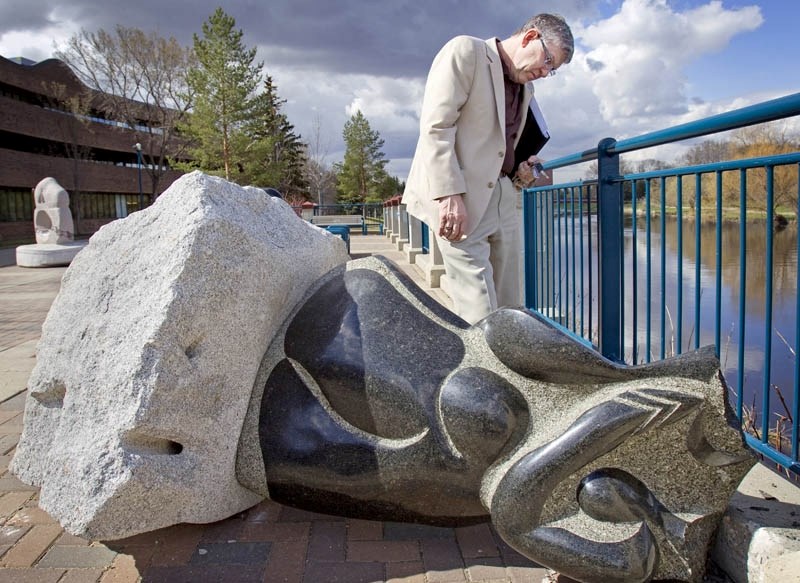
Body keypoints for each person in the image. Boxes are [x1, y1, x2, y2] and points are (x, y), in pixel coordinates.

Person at [402, 14, 574, 324]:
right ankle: (483, 371)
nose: (546, 73)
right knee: (479, 310)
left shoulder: (526, 88)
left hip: (503, 196)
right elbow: (436, 127)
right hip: (460, 200)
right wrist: (448, 194)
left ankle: (505, 371)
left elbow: (498, 147)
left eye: (553, 70)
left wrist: (520, 170)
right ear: (529, 37)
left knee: (508, 308)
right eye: (548, 61)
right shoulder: (466, 52)